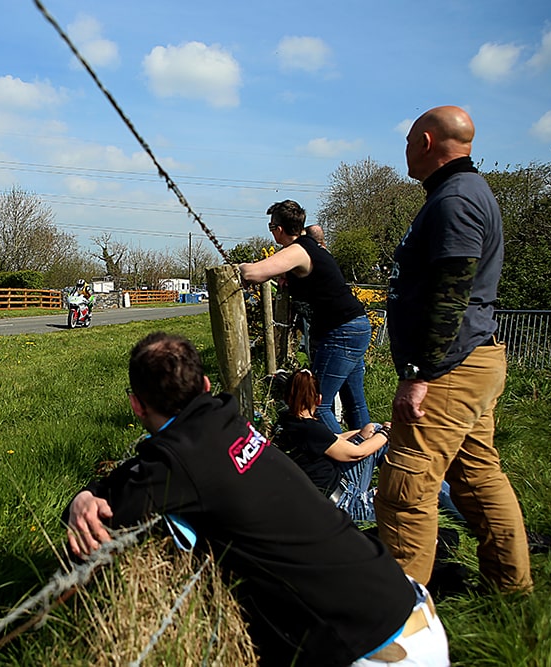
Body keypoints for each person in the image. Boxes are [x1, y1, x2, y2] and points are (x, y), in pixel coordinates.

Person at [64, 332, 449, 666]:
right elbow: (154, 465)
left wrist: (84, 496)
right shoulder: (228, 418)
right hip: (408, 607)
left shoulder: (179, 465)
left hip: (374, 649)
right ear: (207, 386)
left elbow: (108, 517)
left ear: (136, 405)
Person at [376, 105, 533, 593]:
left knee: (407, 487)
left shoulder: (455, 199)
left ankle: (399, 619)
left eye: (407, 141)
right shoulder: (465, 192)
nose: (404, 150)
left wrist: (419, 373)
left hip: (450, 368)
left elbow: (452, 290)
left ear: (426, 142)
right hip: (473, 359)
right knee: (476, 477)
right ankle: (511, 587)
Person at [239, 200, 372, 434]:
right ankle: (365, 457)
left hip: (340, 330)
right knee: (354, 402)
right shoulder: (312, 247)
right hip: (356, 325)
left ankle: (340, 459)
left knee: (315, 405)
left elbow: (254, 273)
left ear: (278, 229)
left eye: (272, 227)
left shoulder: (298, 250)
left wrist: (235, 268)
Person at [272, 368, 390, 523]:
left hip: (334, 489)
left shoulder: (287, 423)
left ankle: (392, 484)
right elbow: (357, 453)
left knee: (373, 429)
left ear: (286, 397)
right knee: (400, 503)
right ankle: (397, 484)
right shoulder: (310, 430)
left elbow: (333, 439)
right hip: (343, 505)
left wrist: (363, 432)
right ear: (319, 399)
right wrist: (386, 432)